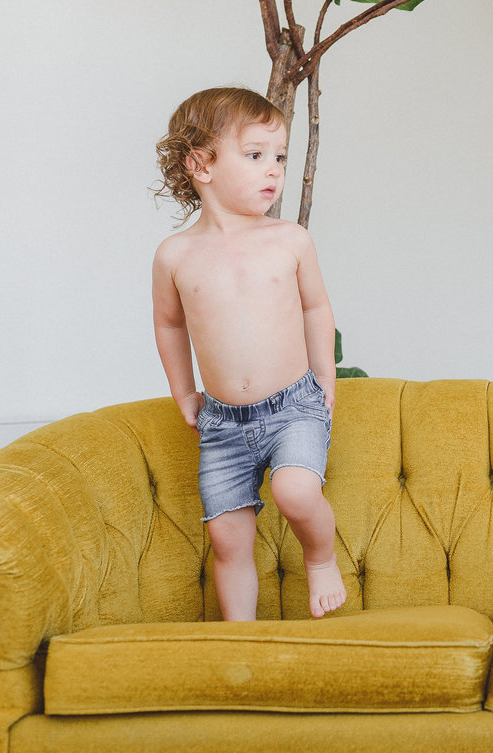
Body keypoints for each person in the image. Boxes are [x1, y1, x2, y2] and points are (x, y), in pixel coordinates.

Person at [151, 86, 347, 621]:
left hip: (293, 406)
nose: (274, 170)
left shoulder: (289, 240)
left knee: (296, 490)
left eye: (280, 156)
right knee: (226, 536)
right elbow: (169, 325)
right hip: (221, 424)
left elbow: (315, 310)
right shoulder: (175, 254)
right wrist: (183, 390)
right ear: (200, 164)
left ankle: (321, 557)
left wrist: (325, 380)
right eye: (256, 155)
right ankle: (242, 638)